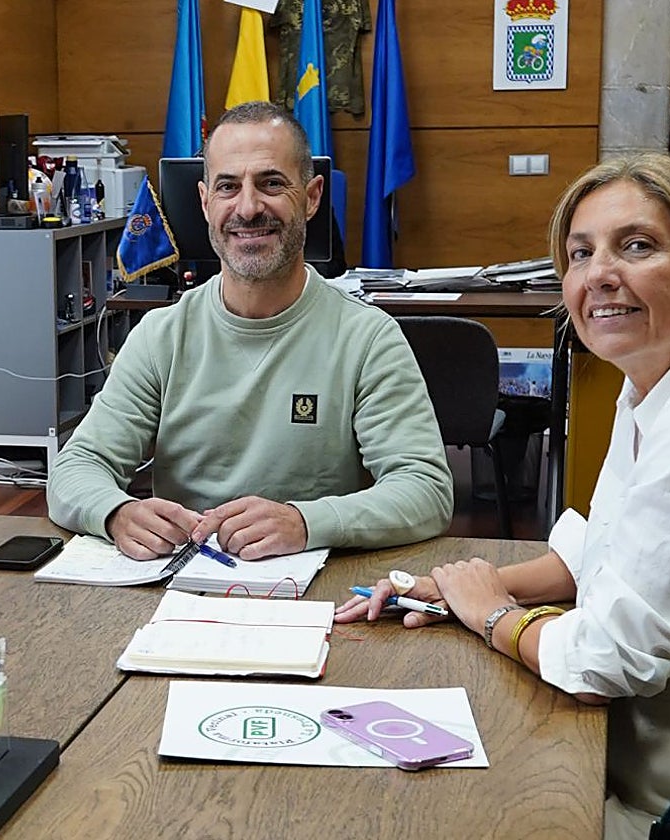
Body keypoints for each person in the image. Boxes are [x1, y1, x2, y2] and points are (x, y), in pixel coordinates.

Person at [336, 152, 670, 838]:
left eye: (637, 246)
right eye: (579, 253)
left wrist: (492, 616)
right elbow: (605, 547)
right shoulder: (660, 377)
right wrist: (449, 590)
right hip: (649, 750)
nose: (599, 274)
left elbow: (605, 660)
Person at [47, 101, 452, 561]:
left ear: (313, 195)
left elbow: (426, 491)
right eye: (227, 186)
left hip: (316, 591)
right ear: (204, 202)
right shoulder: (161, 337)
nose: (248, 207)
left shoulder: (366, 339)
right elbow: (76, 468)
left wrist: (305, 522)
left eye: (271, 183)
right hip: (182, 589)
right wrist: (116, 512)